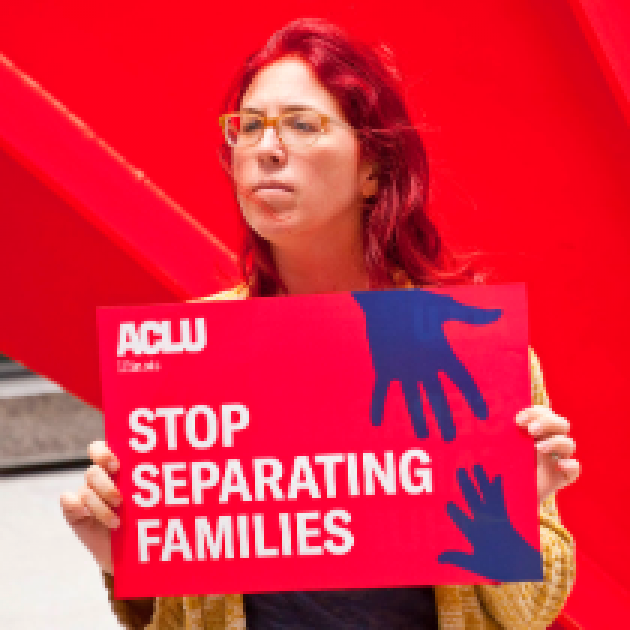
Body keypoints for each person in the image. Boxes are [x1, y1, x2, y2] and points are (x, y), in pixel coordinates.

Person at [60, 18, 580, 629]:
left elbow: (530, 617)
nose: (266, 148)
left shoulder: (467, 349)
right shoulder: (189, 354)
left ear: (373, 169)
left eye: (303, 125)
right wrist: (122, 557)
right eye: (248, 126)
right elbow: (172, 621)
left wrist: (512, 513)